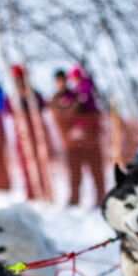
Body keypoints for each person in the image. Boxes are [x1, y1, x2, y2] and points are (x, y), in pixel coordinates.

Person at [53, 67, 106, 206]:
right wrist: (76, 105)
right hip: (72, 144)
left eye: (64, 80)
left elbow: (92, 109)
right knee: (75, 174)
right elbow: (63, 117)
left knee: (96, 171)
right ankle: (74, 200)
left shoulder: (76, 94)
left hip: (90, 139)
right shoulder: (57, 99)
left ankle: (101, 198)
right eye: (59, 81)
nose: (62, 83)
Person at [7, 65, 50, 200]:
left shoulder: (33, 95)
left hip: (36, 135)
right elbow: (8, 108)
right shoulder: (13, 97)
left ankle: (44, 190)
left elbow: (42, 105)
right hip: (22, 136)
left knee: (40, 163)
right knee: (25, 166)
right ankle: (30, 193)